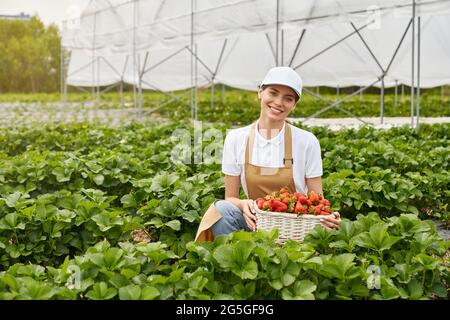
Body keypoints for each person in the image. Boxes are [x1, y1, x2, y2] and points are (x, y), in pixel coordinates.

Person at [195, 66, 341, 241]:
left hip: (295, 228)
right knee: (221, 209)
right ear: (260, 93)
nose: (279, 102)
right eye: (273, 93)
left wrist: (327, 216)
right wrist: (243, 204)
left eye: (288, 98)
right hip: (255, 224)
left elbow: (317, 199)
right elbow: (231, 197)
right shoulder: (236, 139)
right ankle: (238, 258)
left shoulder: (307, 141)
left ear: (294, 106)